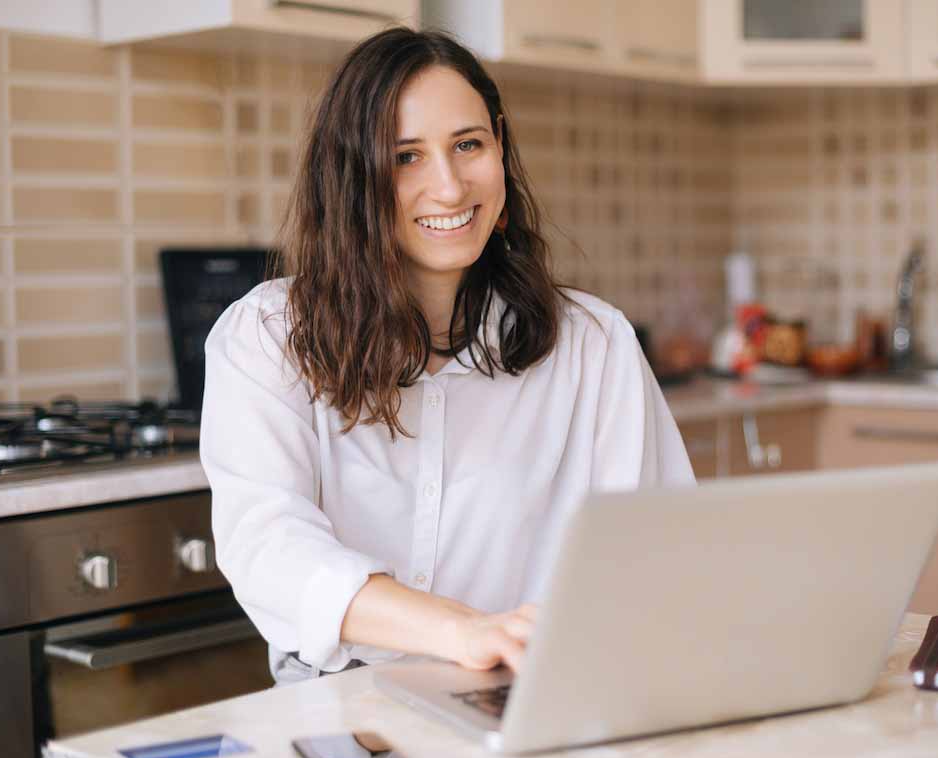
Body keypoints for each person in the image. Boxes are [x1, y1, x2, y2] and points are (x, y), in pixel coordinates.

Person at [200, 27, 694, 686]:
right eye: (406, 157)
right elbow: (268, 547)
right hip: (340, 706)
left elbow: (659, 552)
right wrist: (461, 631)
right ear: (353, 179)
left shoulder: (595, 345)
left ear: (499, 147)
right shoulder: (266, 337)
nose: (451, 187)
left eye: (468, 145)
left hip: (528, 698)